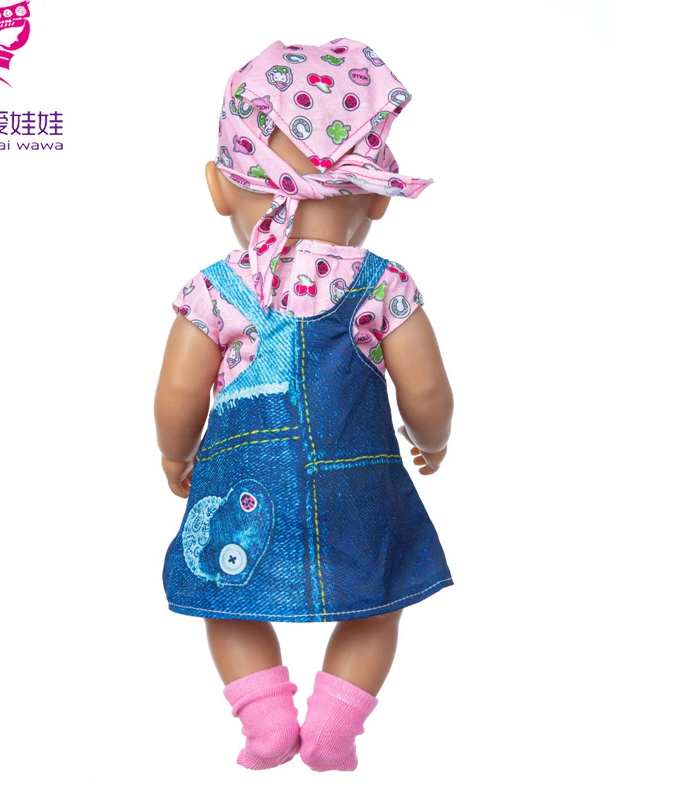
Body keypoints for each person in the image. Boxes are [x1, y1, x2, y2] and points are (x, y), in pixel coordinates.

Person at [155, 38, 454, 772]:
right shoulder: (384, 285)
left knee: (225, 597)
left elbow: (177, 394)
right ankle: (332, 725)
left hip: (242, 488)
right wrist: (433, 440)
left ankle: (265, 721)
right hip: (360, 484)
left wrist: (175, 452)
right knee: (378, 599)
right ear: (377, 198)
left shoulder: (217, 291)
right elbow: (426, 390)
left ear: (219, 187)